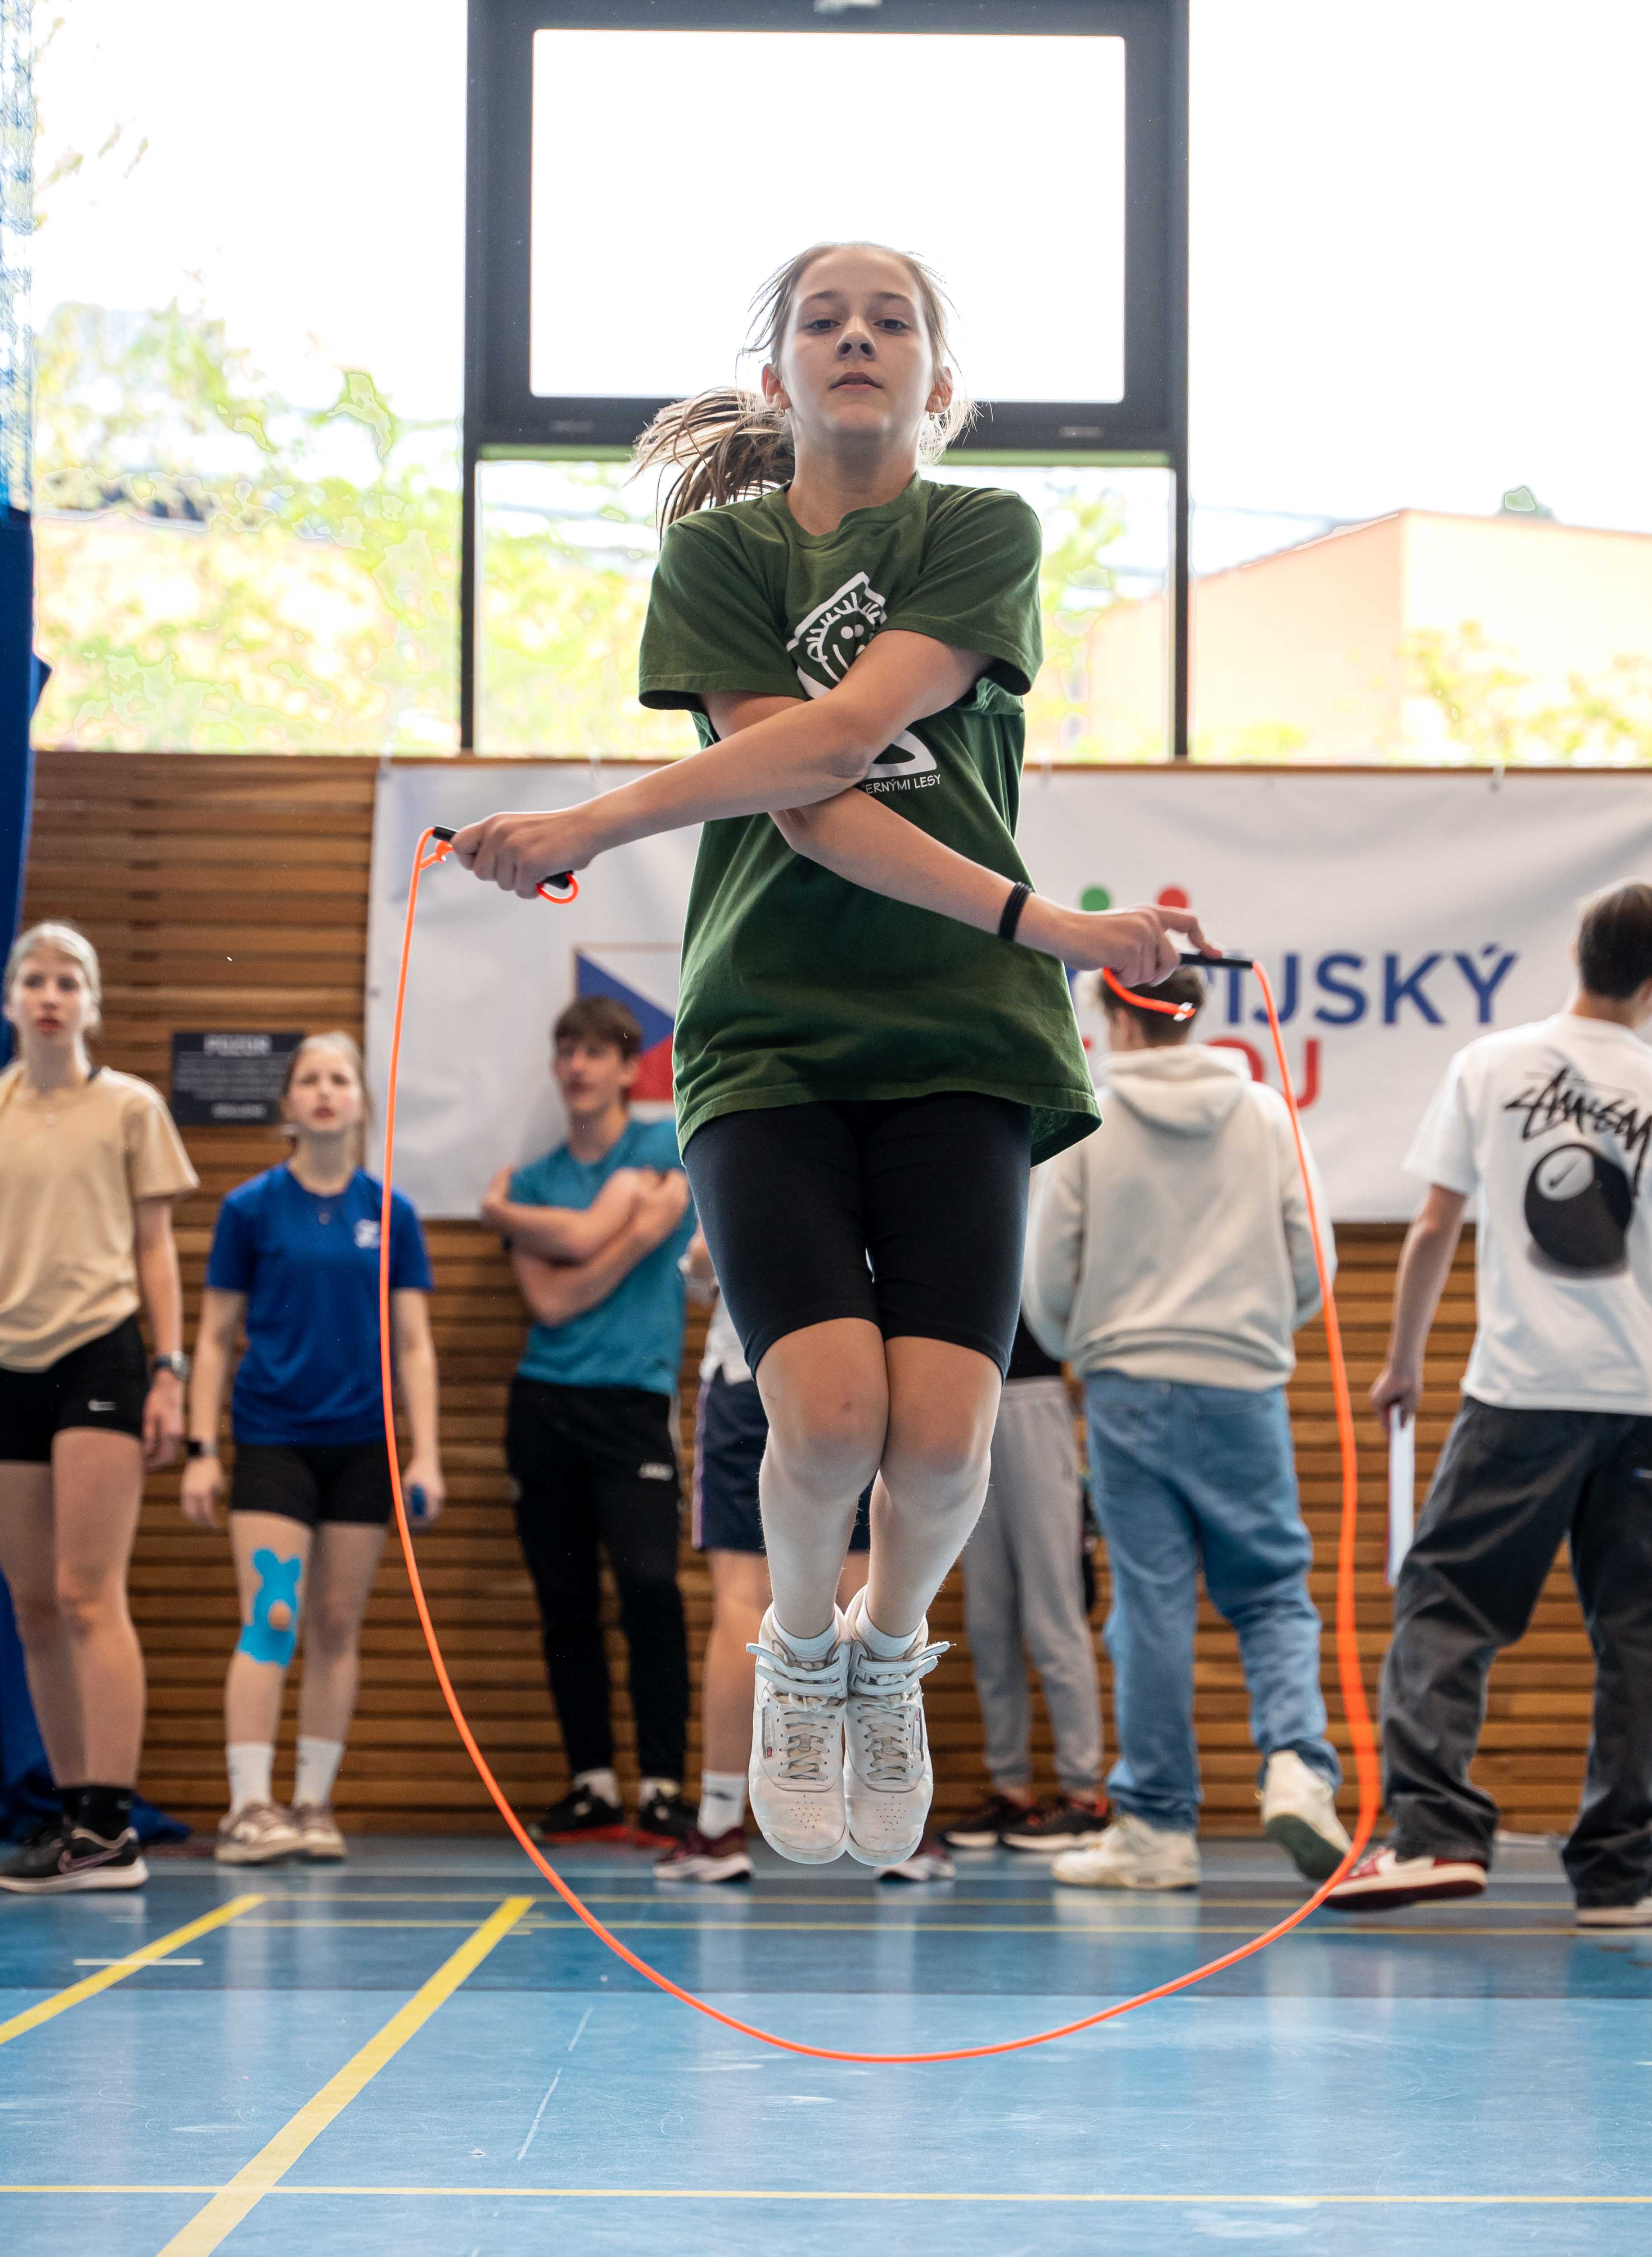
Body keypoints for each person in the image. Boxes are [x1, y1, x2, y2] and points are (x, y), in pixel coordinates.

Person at [450, 239, 1206, 1872]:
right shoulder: (718, 555)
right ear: (776, 373)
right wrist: (1052, 921)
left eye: (891, 321)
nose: (856, 337)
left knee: (941, 1437)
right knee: (832, 1414)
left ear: (939, 381)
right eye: (821, 319)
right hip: (771, 1035)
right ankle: (803, 1649)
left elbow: (856, 729)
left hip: (964, 1031)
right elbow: (803, 798)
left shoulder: (979, 529)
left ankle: (883, 1644)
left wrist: (590, 821)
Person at [1331, 880, 1652, 1928]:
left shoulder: (1488, 1064)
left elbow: (1433, 1226)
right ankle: (1620, 1876)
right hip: (1646, 1399)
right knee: (1638, 1636)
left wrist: (1403, 1361)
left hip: (1517, 1393)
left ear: (1577, 954)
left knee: (1445, 1605)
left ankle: (1434, 1834)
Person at [1022, 967, 1350, 1893]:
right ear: (1194, 1011)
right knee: (1272, 1591)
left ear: (1111, 1012)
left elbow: (1046, 1276)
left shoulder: (1087, 1121)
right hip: (1243, 1385)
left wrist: (1084, 1341)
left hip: (1126, 1388)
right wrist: (1253, 1330)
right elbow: (1312, 1260)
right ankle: (1296, 1765)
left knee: (1150, 1605)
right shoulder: (1266, 1114)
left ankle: (1157, 1828)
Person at [0, 921, 197, 1893]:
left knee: (87, 1591)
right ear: (10, 1000)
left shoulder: (131, 1108)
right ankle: (71, 1822)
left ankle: (110, 1823)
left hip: (99, 1349)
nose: (51, 994)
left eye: (68, 980)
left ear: (91, 1003)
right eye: (34, 979)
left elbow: (155, 1248)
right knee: (32, 1605)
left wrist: (171, 1370)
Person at [181, 1031, 442, 1864]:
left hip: (362, 1444)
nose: (325, 1091)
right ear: (288, 1101)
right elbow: (214, 1336)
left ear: (360, 1100)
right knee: (274, 1614)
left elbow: (413, 1344)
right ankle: (248, 1807)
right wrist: (200, 1447)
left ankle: (312, 1804)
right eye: (309, 1079)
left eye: (340, 1078)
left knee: (334, 1623)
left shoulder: (392, 1212)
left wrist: (426, 1453)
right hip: (274, 1438)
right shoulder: (249, 1209)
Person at [482, 994, 698, 1843]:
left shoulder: (664, 1147)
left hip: (634, 1404)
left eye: (594, 1051)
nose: (577, 1066)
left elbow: (573, 1255)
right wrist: (625, 1233)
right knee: (564, 1600)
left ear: (623, 1067)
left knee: (650, 1589)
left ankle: (664, 1786)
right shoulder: (537, 1181)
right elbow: (549, 1300)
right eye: (566, 1049)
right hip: (544, 1405)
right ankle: (593, 1783)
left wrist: (518, 1223)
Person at [655, 1236, 876, 1884]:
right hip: (856, 1375)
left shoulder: (749, 1160)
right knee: (868, 1598)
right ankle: (891, 1823)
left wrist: (705, 1266)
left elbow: (704, 1256)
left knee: (744, 1604)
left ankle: (719, 1825)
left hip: (752, 1369)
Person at [939, 1317, 1109, 1854]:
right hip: (968, 1398)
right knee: (988, 1623)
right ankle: (1011, 1788)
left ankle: (1084, 1794)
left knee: (1053, 1616)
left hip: (1036, 1397)